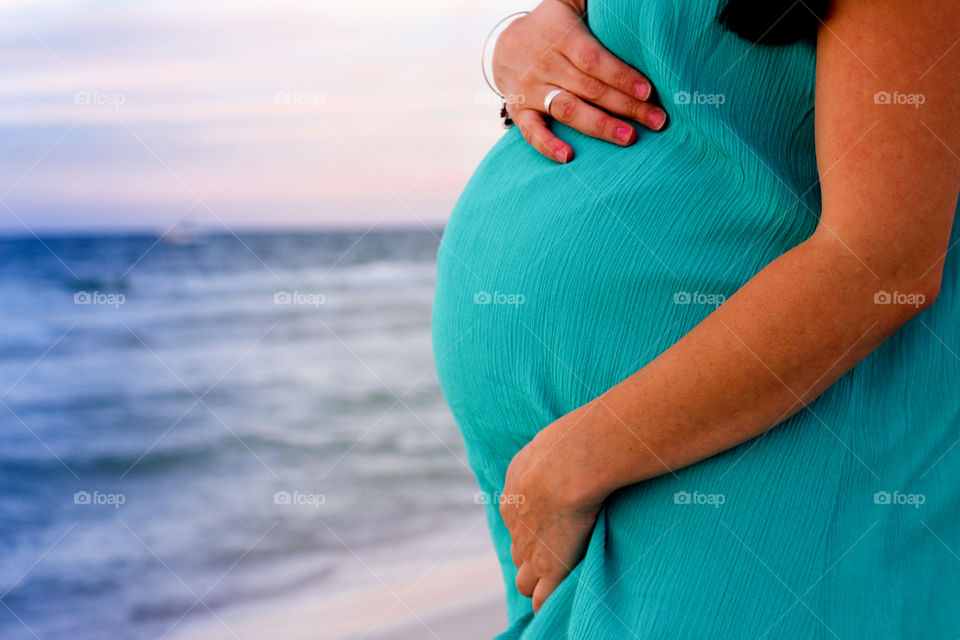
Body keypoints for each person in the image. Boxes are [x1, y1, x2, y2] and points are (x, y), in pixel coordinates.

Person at [432, 0, 960, 637]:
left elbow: (882, 262)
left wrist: (574, 464)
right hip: (586, 467)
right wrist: (518, 44)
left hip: (750, 454)